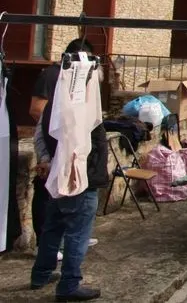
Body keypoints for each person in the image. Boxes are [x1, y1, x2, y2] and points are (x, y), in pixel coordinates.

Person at [30, 38, 107, 301]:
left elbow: (41, 134)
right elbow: (82, 143)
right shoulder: (79, 105)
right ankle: (69, 285)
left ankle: (40, 274)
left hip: (61, 174)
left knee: (53, 227)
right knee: (76, 233)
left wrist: (50, 162)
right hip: (78, 178)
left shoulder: (58, 102)